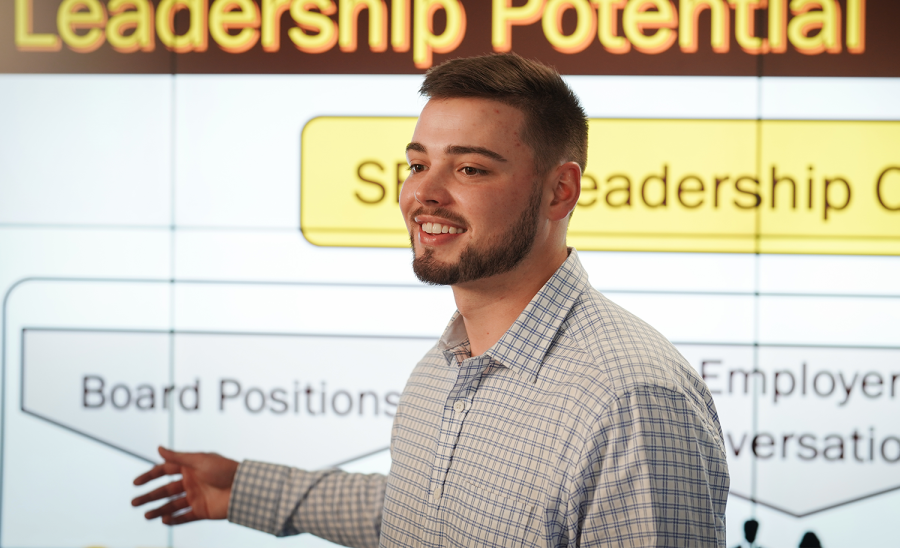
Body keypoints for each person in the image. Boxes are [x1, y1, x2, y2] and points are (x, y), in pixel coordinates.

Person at [132, 53, 729, 547]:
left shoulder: (633, 401)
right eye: (418, 164)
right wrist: (241, 489)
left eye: (469, 169)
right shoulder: (443, 368)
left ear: (560, 191)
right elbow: (422, 516)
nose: (425, 194)